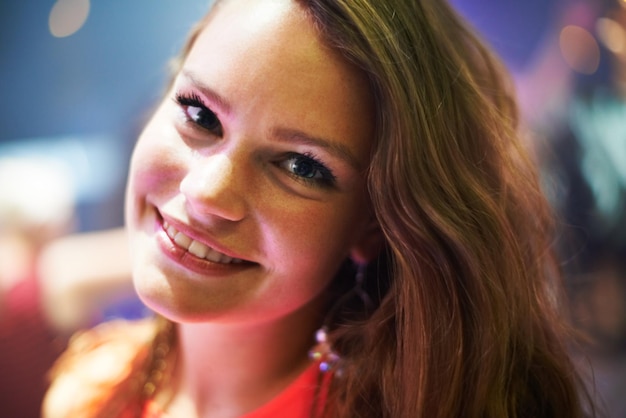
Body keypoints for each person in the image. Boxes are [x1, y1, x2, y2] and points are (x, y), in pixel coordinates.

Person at [42, 0, 595, 417]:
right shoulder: (90, 384)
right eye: (198, 113)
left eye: (301, 166)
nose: (207, 192)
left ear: (374, 226)